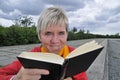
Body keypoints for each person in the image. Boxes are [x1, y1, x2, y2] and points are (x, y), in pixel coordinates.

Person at [0, 6, 88, 80]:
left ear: (67, 34)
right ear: (39, 35)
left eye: (61, 33)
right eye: (48, 33)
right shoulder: (31, 56)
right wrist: (17, 78)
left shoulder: (75, 55)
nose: (55, 40)